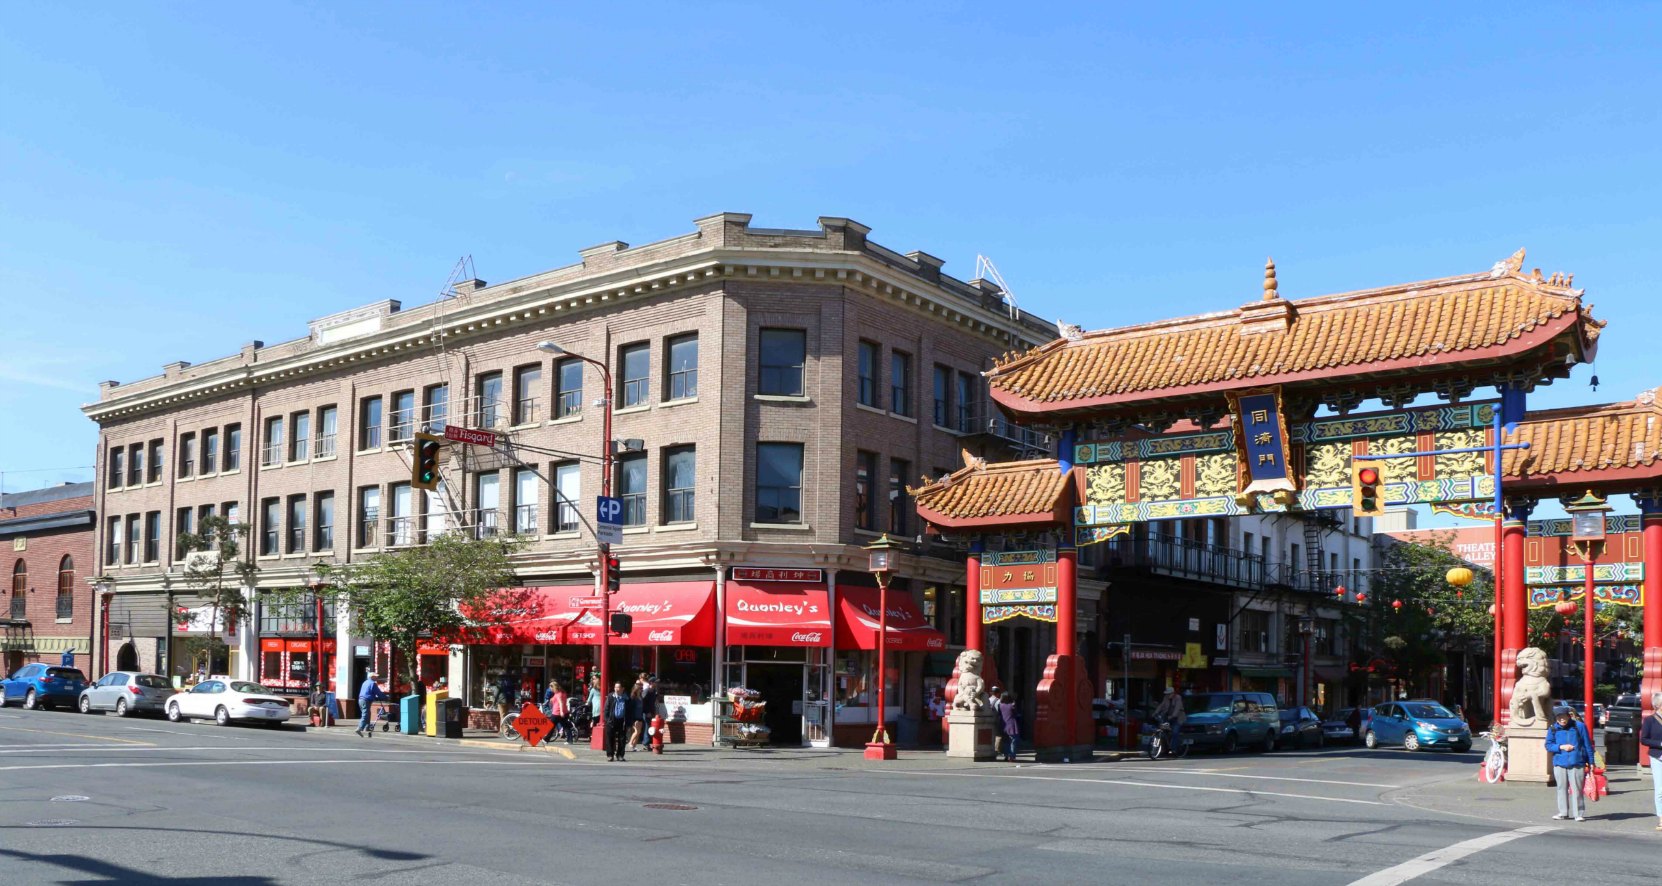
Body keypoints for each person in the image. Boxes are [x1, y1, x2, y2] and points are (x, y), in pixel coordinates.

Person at [1545, 706, 1592, 822]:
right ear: (1556, 718)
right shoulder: (1553, 729)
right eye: (1559, 717)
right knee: (1561, 788)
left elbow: (1587, 745)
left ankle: (1579, 814)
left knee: (1577, 789)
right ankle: (1563, 812)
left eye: (1564, 717)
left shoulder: (1579, 726)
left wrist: (1591, 762)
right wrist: (1561, 747)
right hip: (1560, 763)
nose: (1562, 720)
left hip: (1577, 762)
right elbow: (1548, 745)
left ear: (1569, 716)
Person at [1640, 692, 1662, 831]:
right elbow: (1644, 739)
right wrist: (1660, 743)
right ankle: (1661, 818)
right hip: (1657, 757)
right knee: (1660, 790)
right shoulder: (1650, 720)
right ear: (1658, 705)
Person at [603, 681, 637, 761]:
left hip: (622, 720)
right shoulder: (611, 696)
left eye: (618, 687)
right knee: (610, 738)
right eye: (615, 687)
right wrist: (607, 720)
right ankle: (610, 755)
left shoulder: (626, 698)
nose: (617, 689)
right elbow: (606, 709)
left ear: (622, 689)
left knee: (622, 739)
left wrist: (629, 722)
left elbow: (629, 711)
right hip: (612, 720)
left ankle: (620, 755)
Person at [1153, 686, 1186, 755]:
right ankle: (1162, 748)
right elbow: (1161, 706)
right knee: (1162, 730)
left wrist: (1173, 716)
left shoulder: (1178, 698)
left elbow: (1177, 708)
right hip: (1168, 717)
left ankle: (1173, 748)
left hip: (1177, 717)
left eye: (1169, 694)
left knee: (1175, 732)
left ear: (1173, 693)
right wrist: (1155, 713)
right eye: (1167, 694)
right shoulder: (1166, 698)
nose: (1167, 695)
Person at [632, 673, 659, 752]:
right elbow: (643, 702)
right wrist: (647, 711)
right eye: (655, 682)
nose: (657, 684)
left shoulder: (653, 691)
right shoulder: (646, 691)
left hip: (651, 711)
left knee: (650, 726)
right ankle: (645, 743)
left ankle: (647, 743)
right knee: (647, 726)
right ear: (651, 683)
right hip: (646, 712)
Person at [356, 672, 387, 738]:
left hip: (361, 700)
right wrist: (384, 697)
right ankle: (359, 728)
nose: (377, 678)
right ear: (372, 677)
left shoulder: (365, 682)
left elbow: (367, 691)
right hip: (366, 700)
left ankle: (367, 728)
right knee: (365, 714)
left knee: (367, 713)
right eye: (375, 676)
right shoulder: (372, 683)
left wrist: (374, 696)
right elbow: (378, 692)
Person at [998, 691, 1020, 762]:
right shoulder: (1012, 705)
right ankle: (1012, 756)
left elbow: (999, 714)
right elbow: (1015, 714)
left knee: (1005, 742)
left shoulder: (1000, 705)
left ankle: (1006, 755)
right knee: (1013, 741)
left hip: (1003, 725)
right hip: (1012, 725)